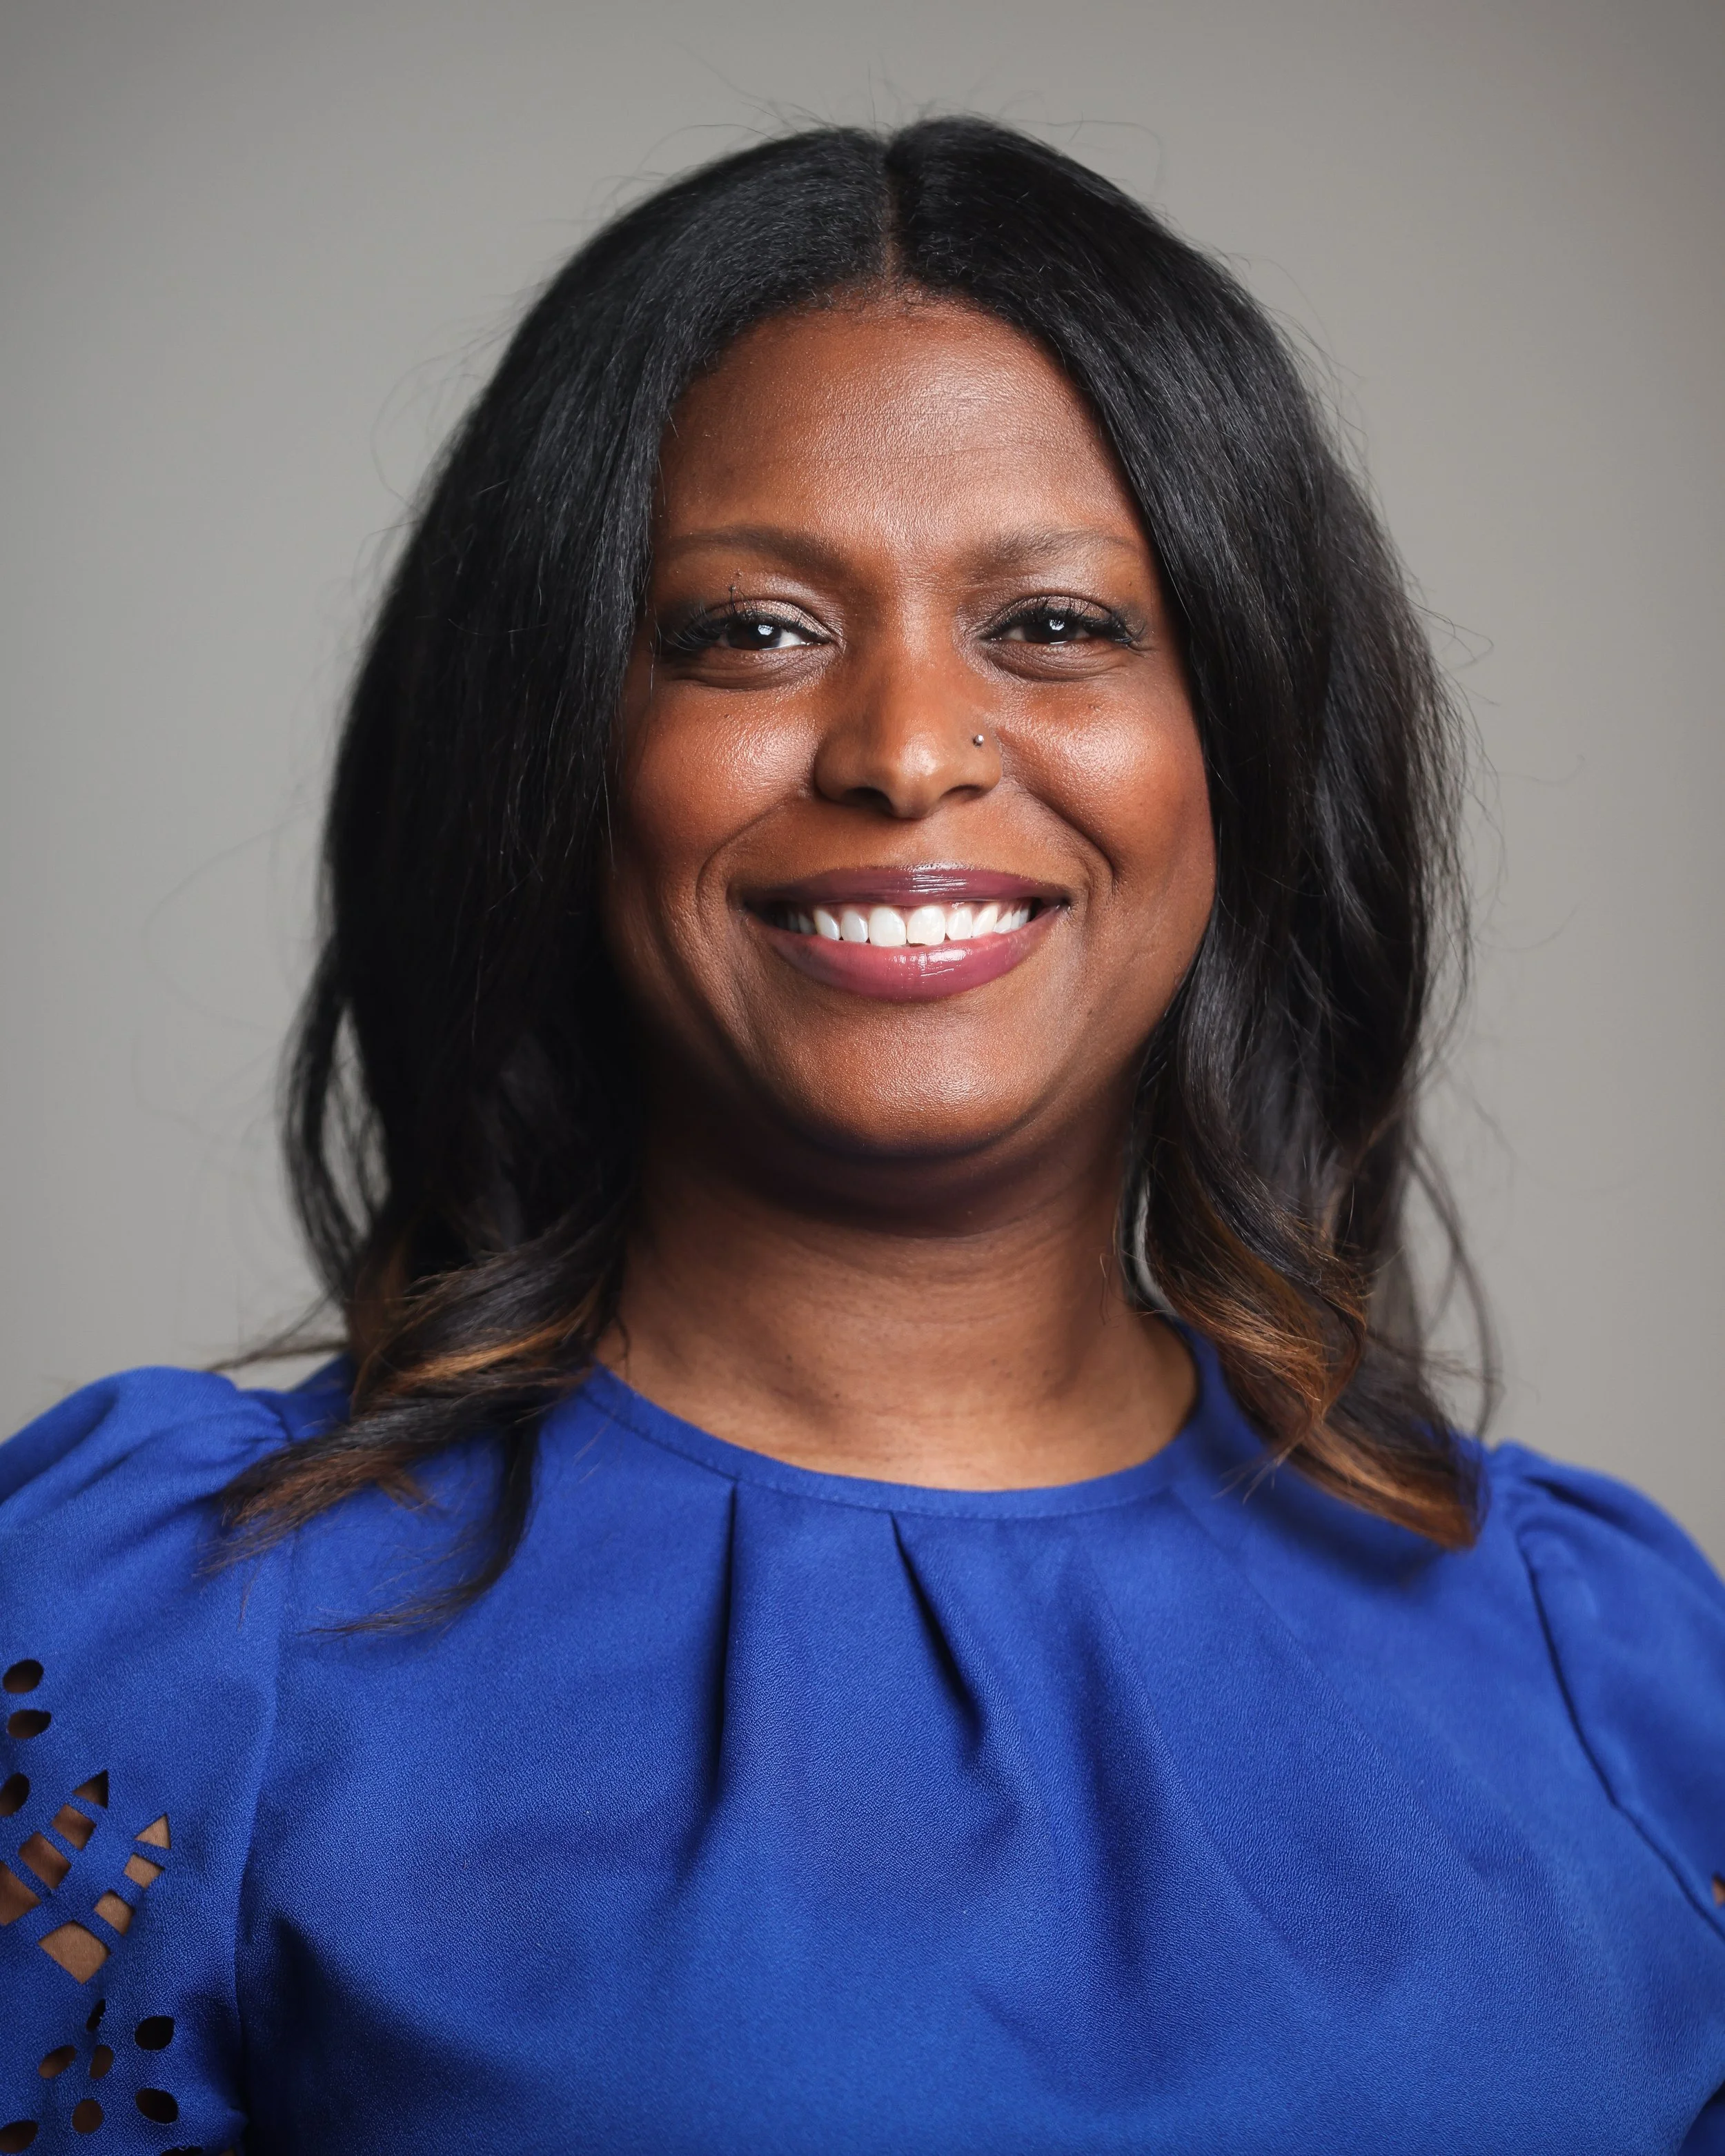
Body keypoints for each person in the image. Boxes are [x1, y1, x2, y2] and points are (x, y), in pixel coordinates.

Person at [1, 116, 1721, 2155]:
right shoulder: (168, 1630)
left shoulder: (1599, 1654)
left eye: (1059, 627)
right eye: (750, 630)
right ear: (549, 741)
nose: (904, 752)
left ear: (1240, 742)